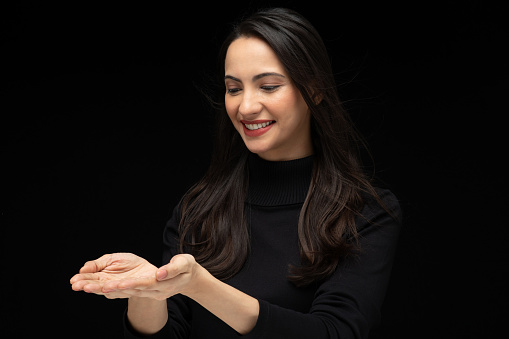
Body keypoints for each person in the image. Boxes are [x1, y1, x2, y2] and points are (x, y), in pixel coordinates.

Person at [70, 7, 401, 339]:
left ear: (314, 90)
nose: (246, 107)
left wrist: (200, 285)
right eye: (234, 88)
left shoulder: (364, 213)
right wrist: (143, 291)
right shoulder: (200, 208)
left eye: (268, 86)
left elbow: (334, 333)